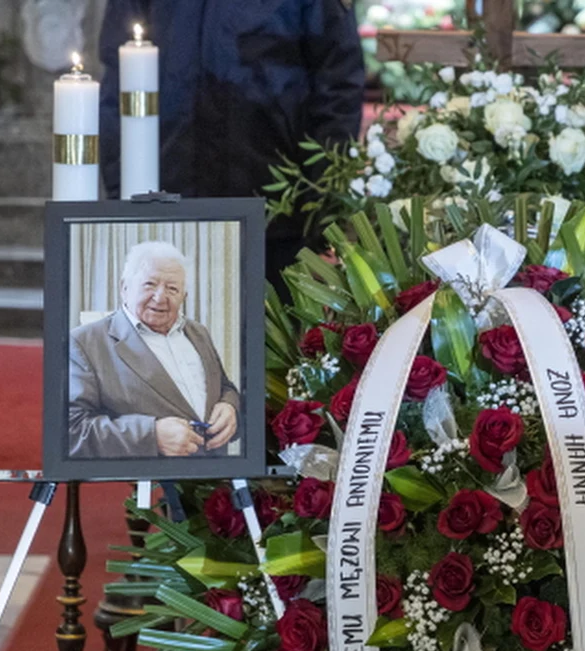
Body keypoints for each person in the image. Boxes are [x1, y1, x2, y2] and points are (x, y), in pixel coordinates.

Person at [97, 0, 366, 289]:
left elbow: (338, 83)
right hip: (168, 204)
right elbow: (118, 82)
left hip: (274, 212)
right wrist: (122, 190)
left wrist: (321, 202)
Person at [69, 241, 240, 459]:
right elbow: (72, 430)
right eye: (149, 284)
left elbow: (224, 386)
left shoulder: (198, 333)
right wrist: (151, 436)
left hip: (215, 473)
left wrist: (230, 406)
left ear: (184, 297)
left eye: (172, 289)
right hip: (145, 477)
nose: (160, 297)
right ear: (124, 288)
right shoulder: (85, 343)